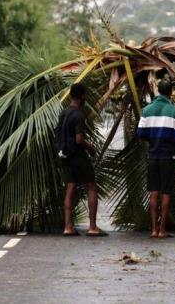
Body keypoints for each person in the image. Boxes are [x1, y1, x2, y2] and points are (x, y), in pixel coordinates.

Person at [136, 77, 175, 238]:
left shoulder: (147, 110)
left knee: (153, 192)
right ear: (171, 92)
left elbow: (140, 133)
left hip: (153, 156)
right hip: (169, 157)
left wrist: (153, 138)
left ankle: (153, 229)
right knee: (166, 193)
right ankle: (162, 230)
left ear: (158, 90)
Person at [56, 83, 106, 236]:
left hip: (65, 155)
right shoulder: (78, 115)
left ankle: (68, 227)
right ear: (82, 96)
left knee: (70, 189)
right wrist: (90, 147)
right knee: (91, 186)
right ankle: (92, 227)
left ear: (71, 95)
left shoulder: (64, 113)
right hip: (78, 155)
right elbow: (79, 139)